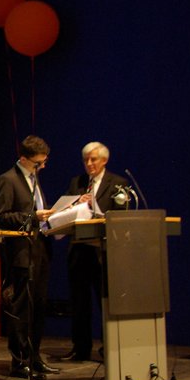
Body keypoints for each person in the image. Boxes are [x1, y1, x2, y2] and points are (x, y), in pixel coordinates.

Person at [0, 135, 60, 378]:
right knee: (22, 307)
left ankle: (35, 357)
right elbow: (0, 216)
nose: (42, 167)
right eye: (38, 163)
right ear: (23, 159)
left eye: (44, 162)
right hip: (21, 251)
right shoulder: (8, 179)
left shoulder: (33, 178)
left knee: (38, 306)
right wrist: (33, 217)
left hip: (39, 248)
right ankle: (19, 360)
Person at [60, 141, 129, 361]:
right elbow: (64, 209)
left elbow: (121, 216)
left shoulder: (118, 183)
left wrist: (97, 212)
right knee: (80, 303)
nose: (89, 164)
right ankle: (80, 348)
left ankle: (110, 348)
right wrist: (76, 203)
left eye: (94, 159)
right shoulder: (77, 182)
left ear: (104, 160)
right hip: (79, 251)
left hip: (103, 252)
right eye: (86, 160)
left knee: (105, 302)